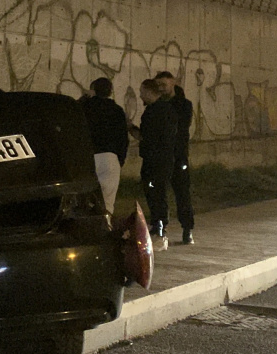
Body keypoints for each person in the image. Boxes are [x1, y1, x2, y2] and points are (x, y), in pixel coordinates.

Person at [155, 70, 196, 245]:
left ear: (173, 83)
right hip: (160, 157)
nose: (161, 89)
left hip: (178, 157)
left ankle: (187, 229)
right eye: (158, 86)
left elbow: (179, 127)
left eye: (164, 85)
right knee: (157, 194)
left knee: (182, 194)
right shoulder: (156, 105)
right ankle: (160, 229)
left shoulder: (184, 105)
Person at [135, 78, 177, 250]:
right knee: (159, 194)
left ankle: (159, 230)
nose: (140, 95)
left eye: (142, 91)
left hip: (154, 161)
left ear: (148, 92)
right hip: (165, 160)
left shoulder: (153, 112)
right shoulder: (168, 110)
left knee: (155, 195)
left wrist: (130, 127)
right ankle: (159, 228)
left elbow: (146, 137)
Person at [79, 77, 130, 214]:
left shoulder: (84, 108)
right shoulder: (117, 110)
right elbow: (123, 138)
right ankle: (106, 229)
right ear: (110, 91)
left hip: (87, 158)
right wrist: (120, 160)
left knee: (85, 201)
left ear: (93, 90)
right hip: (110, 158)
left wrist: (84, 97)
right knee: (107, 203)